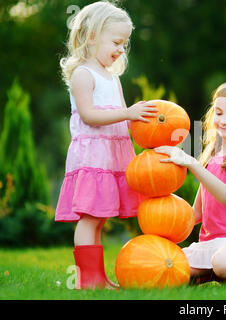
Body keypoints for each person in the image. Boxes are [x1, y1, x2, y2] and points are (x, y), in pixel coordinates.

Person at [55, 1, 157, 289]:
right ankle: (87, 279)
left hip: (112, 158)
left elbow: (125, 122)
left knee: (99, 220)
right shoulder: (82, 75)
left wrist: (148, 137)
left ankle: (97, 278)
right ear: (91, 36)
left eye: (124, 44)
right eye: (116, 42)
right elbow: (89, 115)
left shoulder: (112, 78)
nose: (121, 49)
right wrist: (128, 112)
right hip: (92, 159)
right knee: (89, 219)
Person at [155, 78, 226, 284]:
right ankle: (211, 273)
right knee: (167, 267)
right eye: (218, 113)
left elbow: (225, 195)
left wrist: (192, 164)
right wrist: (166, 224)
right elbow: (197, 212)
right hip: (211, 242)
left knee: (224, 263)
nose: (224, 120)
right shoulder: (213, 155)